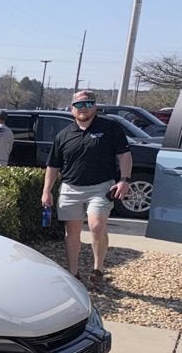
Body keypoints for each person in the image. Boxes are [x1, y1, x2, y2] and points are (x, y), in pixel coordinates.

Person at [42, 89, 133, 288]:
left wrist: (124, 180)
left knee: (97, 225)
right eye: (79, 105)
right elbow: (53, 166)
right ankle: (73, 274)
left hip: (100, 187)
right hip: (70, 188)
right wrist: (46, 190)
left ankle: (98, 268)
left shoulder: (110, 128)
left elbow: (124, 155)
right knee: (72, 232)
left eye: (88, 104)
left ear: (95, 107)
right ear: (72, 108)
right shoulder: (63, 135)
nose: (83, 108)